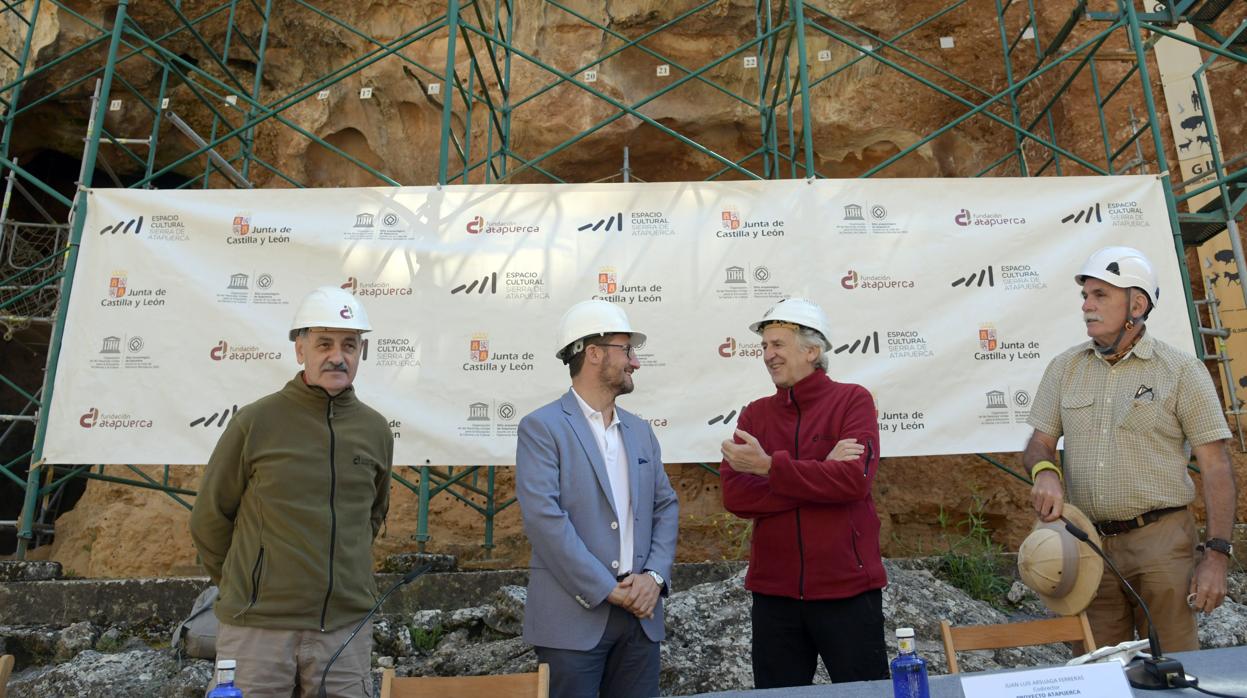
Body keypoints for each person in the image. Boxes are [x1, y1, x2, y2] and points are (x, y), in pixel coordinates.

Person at [1025, 246, 1237, 652]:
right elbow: (1040, 443)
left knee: (1175, 669)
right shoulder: (1064, 367)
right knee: (1097, 672)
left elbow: (1216, 469)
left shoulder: (1182, 371)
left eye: (1100, 295)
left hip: (1162, 543)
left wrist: (1216, 556)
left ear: (1137, 304)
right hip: (1087, 547)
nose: (1086, 305)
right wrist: (1045, 471)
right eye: (1085, 296)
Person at [190, 286, 393, 698]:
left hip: (344, 629)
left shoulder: (375, 430)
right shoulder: (256, 421)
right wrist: (243, 585)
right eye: (324, 343)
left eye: (349, 345)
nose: (338, 356)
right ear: (300, 349)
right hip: (258, 630)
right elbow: (210, 518)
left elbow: (371, 516)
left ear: (361, 353)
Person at [719, 297, 888, 688]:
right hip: (773, 595)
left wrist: (769, 468)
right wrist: (821, 469)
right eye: (764, 346)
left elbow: (853, 482)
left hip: (848, 592)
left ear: (812, 350)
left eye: (777, 344)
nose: (767, 355)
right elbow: (736, 497)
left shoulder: (853, 400)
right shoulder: (755, 414)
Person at [515, 299, 680, 698]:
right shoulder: (542, 428)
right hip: (573, 623)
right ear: (593, 354)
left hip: (641, 616)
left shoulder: (640, 431)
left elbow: (665, 507)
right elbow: (544, 520)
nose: (635, 362)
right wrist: (607, 587)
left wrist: (654, 579)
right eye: (626, 350)